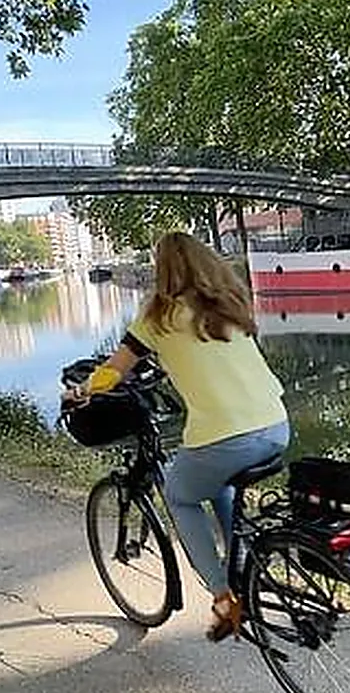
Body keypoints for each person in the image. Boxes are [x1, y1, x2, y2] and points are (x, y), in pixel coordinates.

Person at [67, 231, 288, 641]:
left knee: (180, 495)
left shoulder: (158, 314)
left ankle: (224, 598)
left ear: (163, 269)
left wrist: (81, 391)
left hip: (226, 437)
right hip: (276, 426)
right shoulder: (231, 303)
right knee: (216, 480)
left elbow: (114, 371)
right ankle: (242, 565)